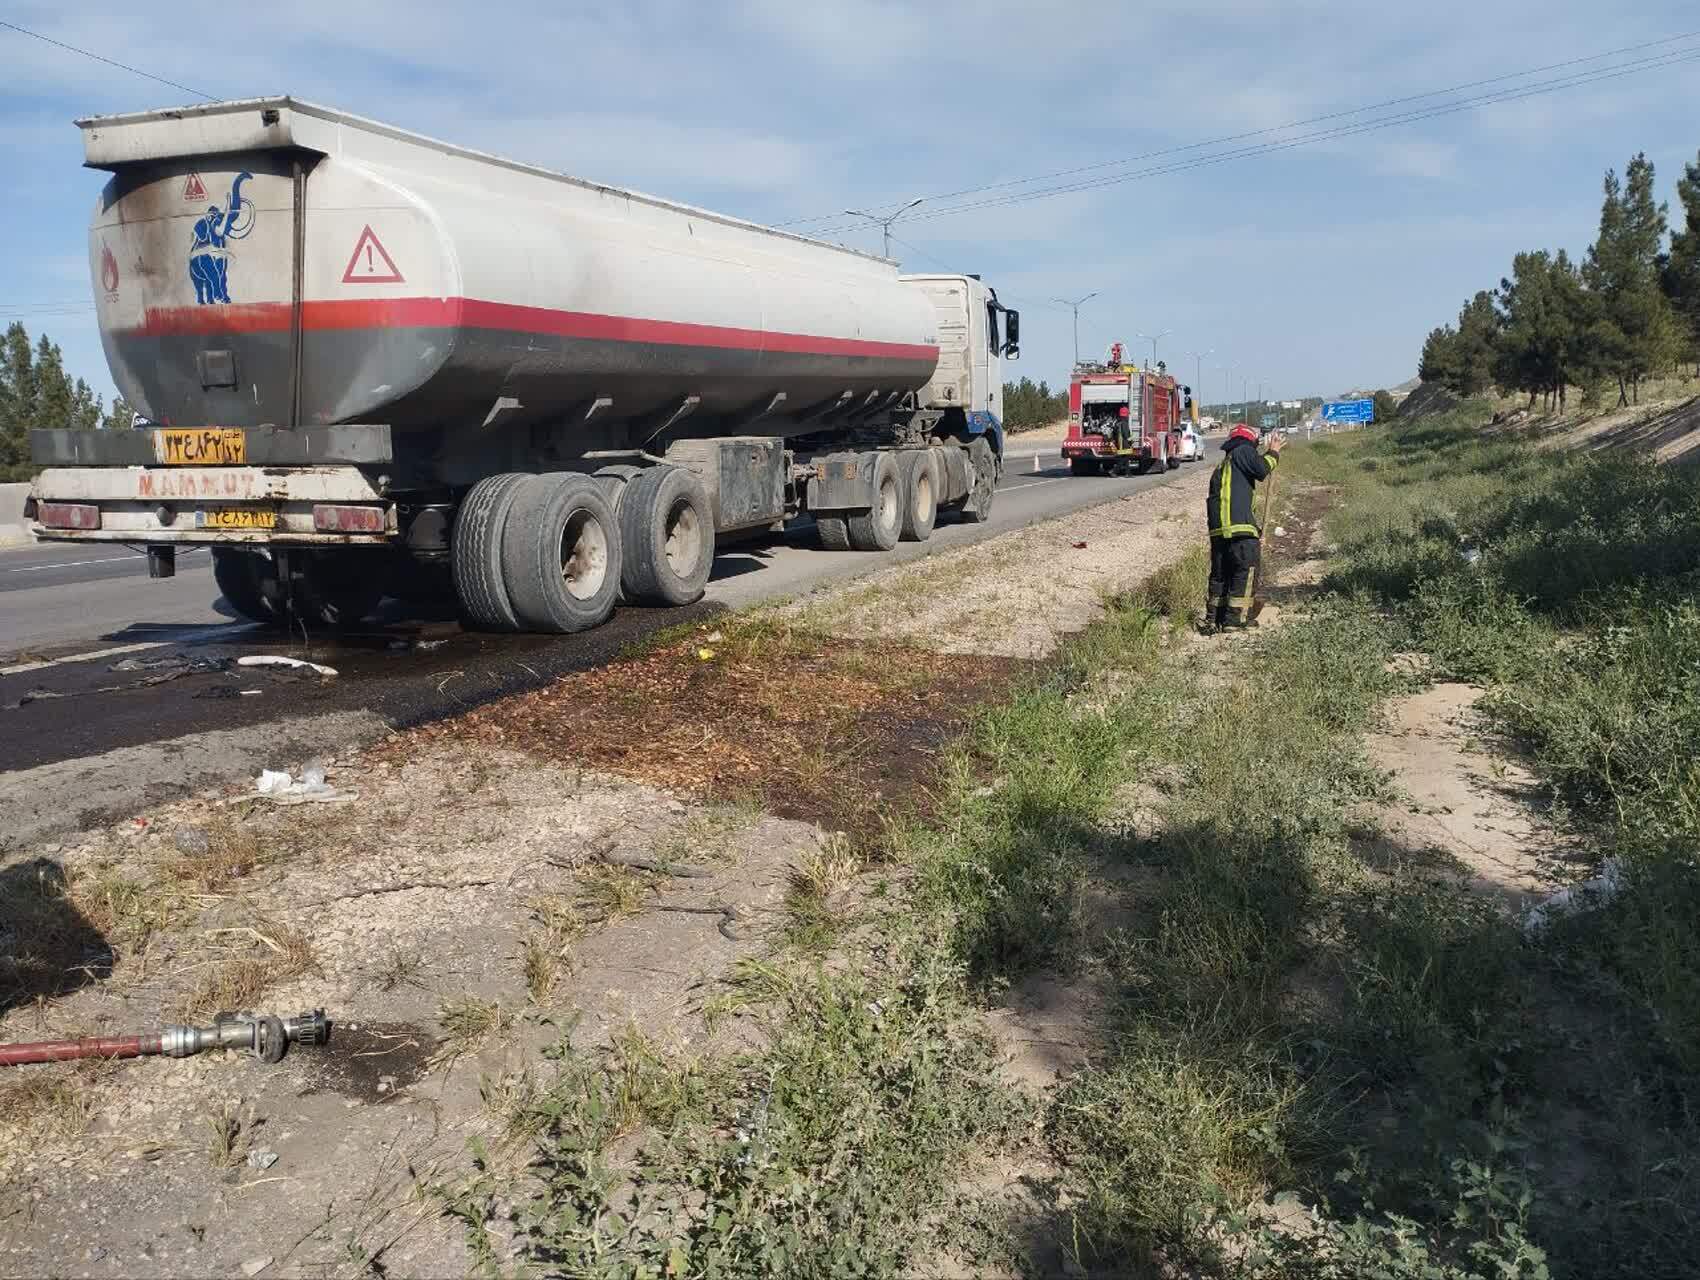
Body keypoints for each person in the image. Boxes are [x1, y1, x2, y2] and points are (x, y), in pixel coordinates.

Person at [1205, 424, 1283, 631]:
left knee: (1221, 576)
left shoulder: (1223, 466)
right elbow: (1261, 468)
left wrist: (1254, 533)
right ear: (1251, 442)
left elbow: (1232, 502)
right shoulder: (1244, 451)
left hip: (1220, 534)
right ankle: (1235, 621)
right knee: (1244, 574)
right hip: (1239, 532)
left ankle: (1214, 619)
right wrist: (1273, 452)